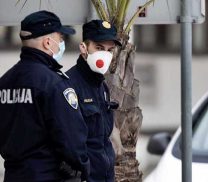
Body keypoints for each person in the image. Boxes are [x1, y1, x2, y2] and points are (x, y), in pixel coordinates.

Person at [0, 11, 90, 182]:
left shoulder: (4, 82)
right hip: (48, 175)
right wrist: (84, 169)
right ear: (48, 42)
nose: (61, 44)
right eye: (60, 38)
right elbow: (72, 138)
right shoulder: (53, 83)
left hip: (13, 175)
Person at [66, 20, 121, 182]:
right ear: (84, 48)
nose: (105, 55)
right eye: (98, 48)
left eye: (110, 50)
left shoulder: (102, 87)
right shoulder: (68, 85)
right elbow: (68, 143)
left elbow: (102, 139)